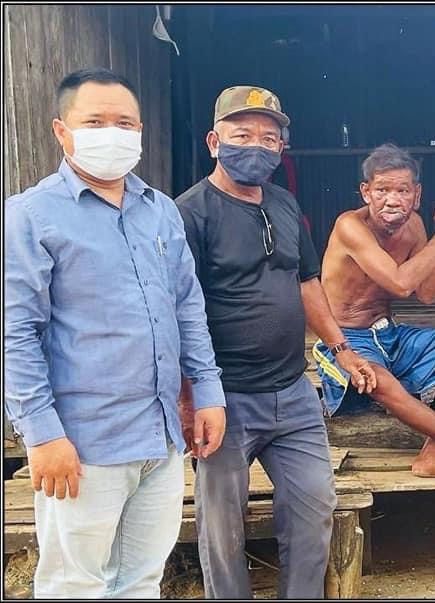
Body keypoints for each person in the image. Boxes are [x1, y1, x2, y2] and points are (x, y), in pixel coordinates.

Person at [3, 68, 227, 598]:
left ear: (140, 131)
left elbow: (187, 307)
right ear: (62, 131)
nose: (112, 133)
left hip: (160, 438)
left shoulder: (160, 211)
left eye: (124, 123)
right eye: (95, 122)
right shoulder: (30, 216)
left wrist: (207, 391)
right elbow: (15, 333)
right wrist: (42, 433)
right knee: (75, 584)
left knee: (141, 580)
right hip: (84, 443)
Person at [175, 85, 375, 599]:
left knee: (314, 508)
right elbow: (176, 309)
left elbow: (306, 282)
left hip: (293, 391)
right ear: (214, 142)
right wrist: (188, 395)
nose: (257, 147)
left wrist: (342, 349)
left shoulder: (284, 204)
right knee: (222, 527)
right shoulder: (189, 213)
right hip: (224, 397)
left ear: (282, 148)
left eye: (269, 138)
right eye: (242, 135)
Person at [316, 143, 435, 486]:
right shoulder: (349, 225)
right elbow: (400, 282)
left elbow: (427, 293)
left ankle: (433, 451)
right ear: (366, 192)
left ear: (417, 195)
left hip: (388, 334)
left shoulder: (415, 226)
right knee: (376, 377)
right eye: (382, 190)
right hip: (345, 340)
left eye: (403, 191)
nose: (392, 200)